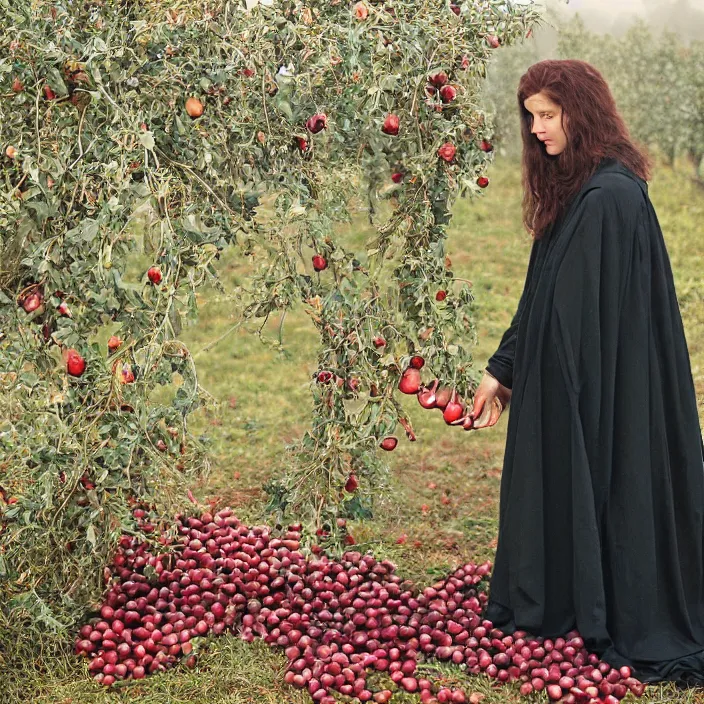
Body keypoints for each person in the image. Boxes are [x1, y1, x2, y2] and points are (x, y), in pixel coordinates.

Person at [468, 59, 704, 685]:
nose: (538, 129)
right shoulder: (582, 188)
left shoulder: (611, 197)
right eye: (531, 117)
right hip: (580, 380)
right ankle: (574, 587)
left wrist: (542, 386)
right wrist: (505, 370)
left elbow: (574, 320)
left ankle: (596, 594)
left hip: (604, 387)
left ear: (581, 110)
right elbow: (542, 294)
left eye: (548, 115)